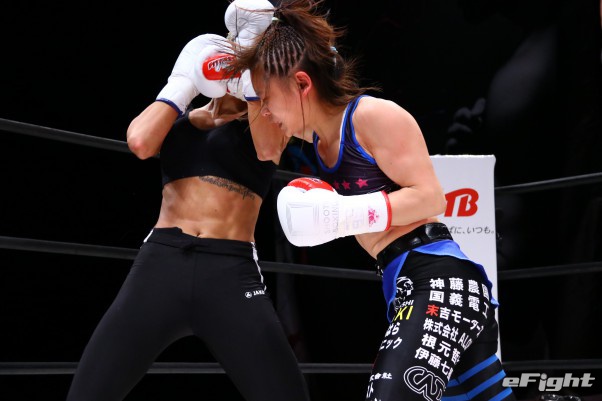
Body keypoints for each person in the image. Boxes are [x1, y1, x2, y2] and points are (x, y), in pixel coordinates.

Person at [230, 1, 516, 400]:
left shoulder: (372, 116)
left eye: (266, 98)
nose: (264, 111)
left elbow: (431, 198)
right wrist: (243, 64)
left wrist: (342, 215)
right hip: (405, 286)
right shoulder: (318, 139)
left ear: (302, 84)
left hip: (438, 281)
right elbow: (264, 150)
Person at [65, 1, 310, 400]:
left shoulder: (268, 121)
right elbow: (140, 143)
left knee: (285, 393)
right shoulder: (182, 121)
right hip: (162, 261)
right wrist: (182, 85)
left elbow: (267, 151)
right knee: (90, 391)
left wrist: (252, 83)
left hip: (229, 269)